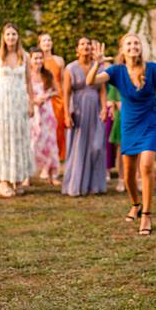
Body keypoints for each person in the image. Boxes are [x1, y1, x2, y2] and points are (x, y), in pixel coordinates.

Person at [87, 32, 156, 235]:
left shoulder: (153, 69)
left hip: (150, 123)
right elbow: (90, 82)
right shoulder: (116, 71)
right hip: (129, 126)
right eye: (129, 43)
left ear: (140, 48)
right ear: (123, 49)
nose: (133, 46)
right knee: (129, 173)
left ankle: (147, 215)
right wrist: (96, 64)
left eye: (136, 43)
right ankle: (135, 203)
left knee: (146, 165)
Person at [0, 24, 37, 197]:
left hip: (19, 102)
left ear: (18, 37)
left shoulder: (24, 56)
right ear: (3, 36)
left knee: (19, 139)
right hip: (3, 102)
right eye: (8, 34)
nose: (11, 37)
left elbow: (29, 82)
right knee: (4, 139)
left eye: (14, 34)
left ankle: (17, 178)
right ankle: (4, 180)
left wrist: (31, 103)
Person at [62, 36, 109, 196]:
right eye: (82, 44)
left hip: (95, 108)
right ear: (77, 49)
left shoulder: (99, 67)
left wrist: (104, 108)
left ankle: (95, 185)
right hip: (78, 110)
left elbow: (102, 90)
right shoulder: (70, 68)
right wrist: (66, 114)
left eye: (88, 43)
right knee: (78, 146)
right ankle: (76, 185)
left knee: (96, 146)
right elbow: (66, 93)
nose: (86, 46)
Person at [29, 47, 61, 185]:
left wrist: (46, 95)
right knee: (31, 143)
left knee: (49, 142)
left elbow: (57, 91)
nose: (38, 61)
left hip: (47, 112)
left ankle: (51, 175)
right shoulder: (27, 75)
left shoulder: (48, 74)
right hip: (32, 111)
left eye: (40, 58)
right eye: (35, 58)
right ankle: (27, 176)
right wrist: (33, 100)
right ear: (30, 59)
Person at [38, 33, 68, 162]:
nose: (47, 43)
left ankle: (59, 155)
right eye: (44, 41)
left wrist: (66, 97)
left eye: (49, 40)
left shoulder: (59, 60)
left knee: (59, 126)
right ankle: (45, 154)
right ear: (39, 44)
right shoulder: (37, 59)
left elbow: (63, 80)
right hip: (43, 96)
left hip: (58, 97)